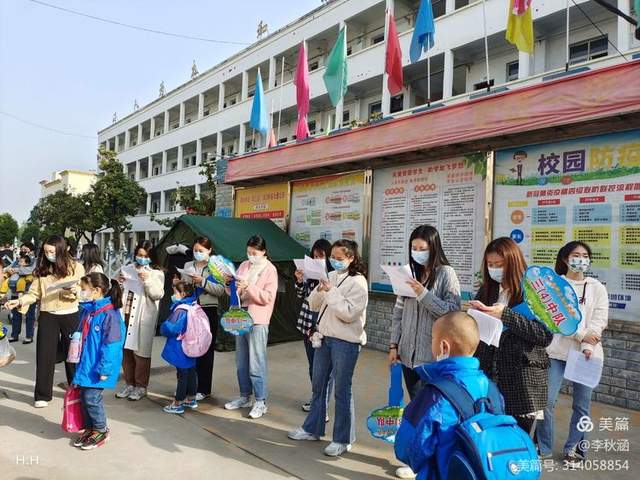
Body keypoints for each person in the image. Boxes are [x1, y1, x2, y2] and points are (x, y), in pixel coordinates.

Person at [389, 225, 461, 479]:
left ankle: (426, 463)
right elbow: (398, 313)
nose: (418, 253)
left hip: (433, 359)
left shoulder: (446, 274)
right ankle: (420, 459)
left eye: (423, 248)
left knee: (433, 413)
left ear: (434, 248)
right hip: (408, 355)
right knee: (416, 409)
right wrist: (393, 345)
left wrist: (423, 293)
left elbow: (451, 312)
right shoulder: (410, 274)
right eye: (414, 248)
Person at [288, 239, 369, 458]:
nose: (334, 261)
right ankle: (312, 428)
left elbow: (349, 313)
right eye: (332, 257)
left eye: (339, 258)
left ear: (351, 258)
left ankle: (343, 438)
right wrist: (315, 285)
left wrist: (331, 292)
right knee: (318, 385)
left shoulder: (358, 282)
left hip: (346, 342)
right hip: (324, 338)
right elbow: (313, 305)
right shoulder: (331, 276)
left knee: (342, 390)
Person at [394, 311, 497, 479]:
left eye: (432, 339)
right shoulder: (492, 389)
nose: (431, 344)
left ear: (444, 347)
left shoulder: (434, 394)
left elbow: (406, 448)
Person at [471, 237, 553, 434]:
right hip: (490, 377)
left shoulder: (534, 292)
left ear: (513, 262)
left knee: (520, 443)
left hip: (523, 382)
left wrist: (505, 315)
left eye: (499, 264)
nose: (494, 269)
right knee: (493, 442)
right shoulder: (487, 290)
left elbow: (544, 335)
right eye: (490, 265)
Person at [537, 241, 608, 465]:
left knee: (581, 405)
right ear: (565, 259)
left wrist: (588, 343)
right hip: (556, 352)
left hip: (586, 354)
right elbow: (554, 319)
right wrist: (581, 335)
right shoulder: (554, 286)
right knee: (545, 401)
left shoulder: (597, 287)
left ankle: (574, 450)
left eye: (585, 255)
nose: (580, 259)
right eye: (575, 255)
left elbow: (599, 319)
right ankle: (544, 446)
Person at [5, 235, 86, 408]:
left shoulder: (76, 267)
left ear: (62, 250)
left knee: (73, 355)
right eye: (46, 251)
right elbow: (33, 293)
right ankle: (42, 394)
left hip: (70, 313)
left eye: (52, 251)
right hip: (48, 313)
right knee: (44, 354)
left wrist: (75, 289)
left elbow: (83, 288)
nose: (49, 254)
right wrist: (19, 301)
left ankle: (77, 390)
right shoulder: (42, 269)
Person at [224, 235, 278, 419]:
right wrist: (229, 284)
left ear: (263, 252)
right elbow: (234, 291)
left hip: (258, 319)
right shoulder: (245, 266)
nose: (251, 256)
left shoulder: (270, 269)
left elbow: (267, 297)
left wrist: (249, 286)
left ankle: (260, 401)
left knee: (256, 361)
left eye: (254, 253)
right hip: (240, 316)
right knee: (241, 361)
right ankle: (244, 396)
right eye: (248, 252)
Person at [71, 272, 125, 450]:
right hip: (87, 364)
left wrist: (105, 369)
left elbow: (113, 345)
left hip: (98, 366)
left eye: (84, 289)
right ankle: (90, 428)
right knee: (84, 397)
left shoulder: (110, 314)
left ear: (97, 290)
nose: (81, 291)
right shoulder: (90, 310)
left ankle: (101, 429)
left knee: (92, 397)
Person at [176, 236, 224, 402]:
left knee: (205, 349)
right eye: (195, 250)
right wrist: (180, 283)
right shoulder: (188, 265)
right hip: (191, 309)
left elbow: (220, 290)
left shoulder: (216, 267)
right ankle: (189, 386)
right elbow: (184, 287)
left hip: (208, 310)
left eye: (201, 251)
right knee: (188, 347)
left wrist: (202, 281)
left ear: (209, 250)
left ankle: (204, 388)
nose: (197, 253)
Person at [115, 241, 165, 401]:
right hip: (125, 313)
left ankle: (141, 386)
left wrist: (147, 280)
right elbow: (113, 285)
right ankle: (129, 383)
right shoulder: (127, 268)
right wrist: (119, 282)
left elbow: (158, 294)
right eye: (140, 255)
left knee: (141, 353)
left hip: (143, 317)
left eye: (146, 256)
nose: (142, 258)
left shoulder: (156, 273)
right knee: (126, 351)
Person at [294, 238, 333, 412]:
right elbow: (302, 295)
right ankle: (316, 398)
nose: (318, 260)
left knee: (325, 369)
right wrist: (300, 280)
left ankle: (321, 404)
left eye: (321, 256)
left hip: (325, 329)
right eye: (315, 256)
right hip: (308, 326)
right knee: (313, 366)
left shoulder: (333, 278)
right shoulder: (311, 277)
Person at [160, 281, 200, 414]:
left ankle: (178, 403)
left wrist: (163, 327)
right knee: (191, 372)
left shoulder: (181, 309)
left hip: (180, 347)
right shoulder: (194, 305)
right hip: (192, 344)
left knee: (182, 375)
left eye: (175, 292)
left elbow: (171, 328)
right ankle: (191, 398)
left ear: (182, 294)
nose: (173, 295)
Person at [8, 254, 35, 344]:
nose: (19, 262)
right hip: (15, 295)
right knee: (15, 316)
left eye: (21, 261)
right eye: (19, 261)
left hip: (28, 295)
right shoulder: (15, 264)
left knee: (29, 316)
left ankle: (29, 336)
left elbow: (29, 270)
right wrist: (10, 269)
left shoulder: (33, 263)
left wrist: (16, 270)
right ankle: (14, 335)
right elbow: (6, 269)